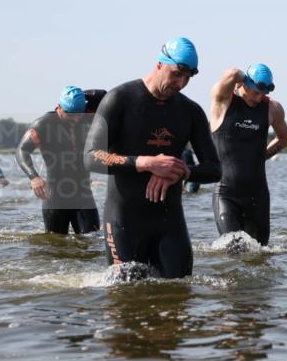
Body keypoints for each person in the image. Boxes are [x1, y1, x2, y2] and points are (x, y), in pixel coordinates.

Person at [83, 37, 221, 278]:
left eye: (188, 77)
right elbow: (91, 157)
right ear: (159, 64)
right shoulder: (120, 99)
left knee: (179, 296)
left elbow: (215, 168)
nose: (181, 83)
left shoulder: (191, 111)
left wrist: (182, 171)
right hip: (124, 221)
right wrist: (144, 163)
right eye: (177, 74)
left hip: (169, 224)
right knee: (125, 302)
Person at [209, 63, 287, 245]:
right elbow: (230, 73)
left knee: (260, 254)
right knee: (234, 247)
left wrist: (262, 156)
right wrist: (241, 77)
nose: (258, 97)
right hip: (226, 194)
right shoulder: (223, 100)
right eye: (255, 92)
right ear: (241, 84)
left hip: (258, 195)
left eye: (263, 94)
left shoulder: (272, 109)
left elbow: (283, 139)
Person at [15, 86, 106, 233]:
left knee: (92, 241)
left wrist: (78, 95)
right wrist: (34, 177)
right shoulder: (44, 124)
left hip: (83, 194)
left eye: (79, 114)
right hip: (55, 197)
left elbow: (103, 95)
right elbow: (22, 150)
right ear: (59, 107)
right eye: (71, 114)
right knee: (55, 245)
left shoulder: (86, 113)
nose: (76, 119)